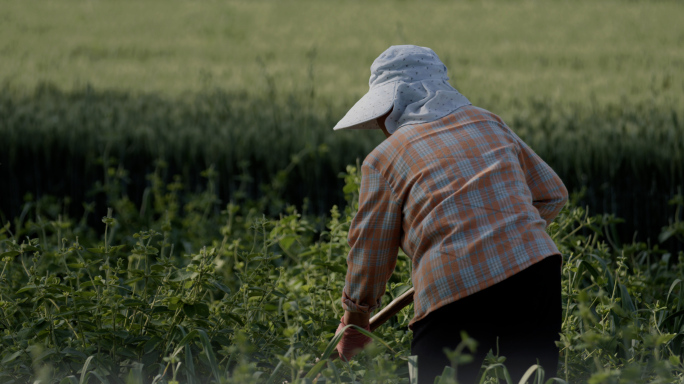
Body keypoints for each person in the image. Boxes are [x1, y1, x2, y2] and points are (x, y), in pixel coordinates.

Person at [332, 45, 568, 383]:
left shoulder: (383, 160)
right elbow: (552, 194)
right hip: (536, 273)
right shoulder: (488, 122)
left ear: (391, 106)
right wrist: (500, 236)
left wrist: (355, 317)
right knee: (531, 379)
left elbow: (371, 252)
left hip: (453, 287)